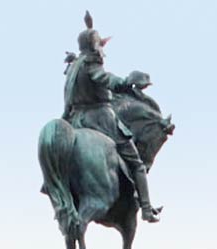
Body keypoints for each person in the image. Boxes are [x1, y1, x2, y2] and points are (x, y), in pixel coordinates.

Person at [64, 15, 160, 222]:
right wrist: (124, 82)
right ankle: (146, 208)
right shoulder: (91, 63)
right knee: (137, 163)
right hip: (99, 118)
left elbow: (68, 97)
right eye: (99, 43)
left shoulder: (73, 66)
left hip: (75, 119)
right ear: (93, 45)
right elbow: (104, 78)